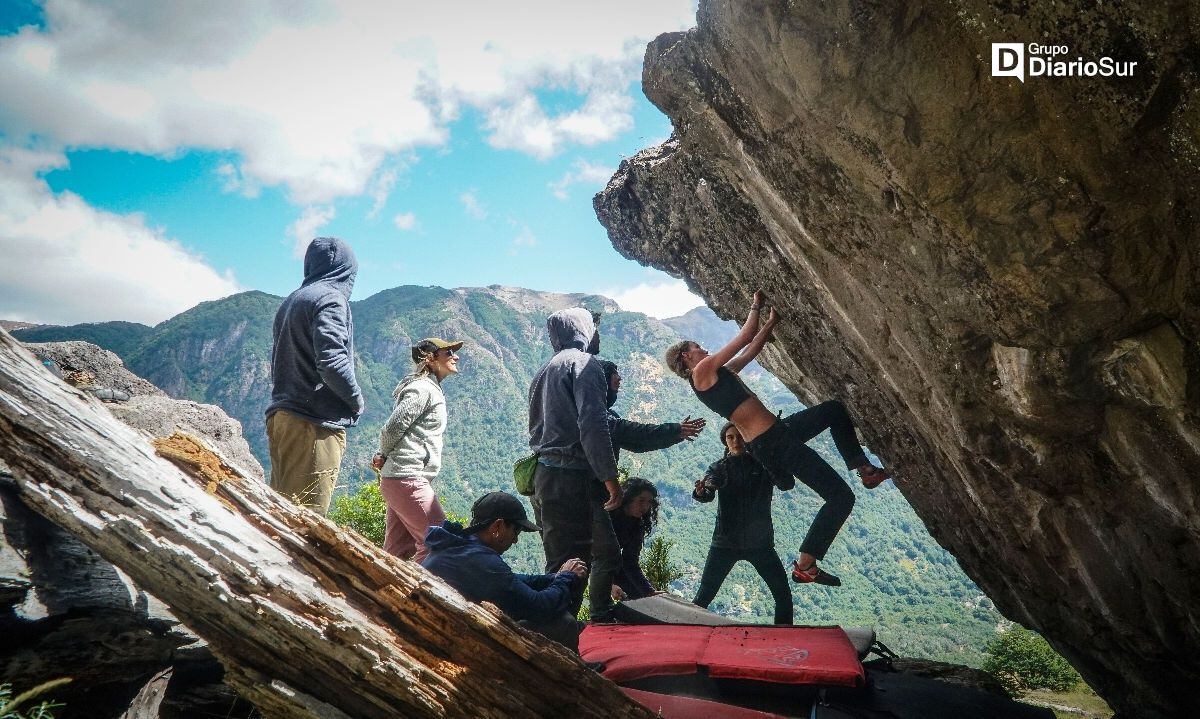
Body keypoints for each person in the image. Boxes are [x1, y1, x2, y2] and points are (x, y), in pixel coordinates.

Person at [664, 290, 890, 587]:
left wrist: (771, 324)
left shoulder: (717, 375)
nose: (703, 348)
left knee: (833, 411)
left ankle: (865, 469)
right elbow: (743, 338)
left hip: (778, 432)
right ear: (686, 355)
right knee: (840, 497)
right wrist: (755, 305)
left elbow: (749, 352)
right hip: (772, 441)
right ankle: (806, 564)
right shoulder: (702, 372)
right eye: (697, 346)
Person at [528, 307, 621, 620]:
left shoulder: (544, 369)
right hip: (570, 478)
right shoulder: (586, 365)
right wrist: (610, 478)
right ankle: (558, 643)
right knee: (575, 565)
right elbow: (594, 425)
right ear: (583, 331)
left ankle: (552, 635)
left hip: (542, 476)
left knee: (558, 563)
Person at [265, 237, 364, 515]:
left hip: (283, 416)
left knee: (282, 512)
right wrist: (355, 400)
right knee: (306, 519)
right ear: (346, 270)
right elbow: (331, 360)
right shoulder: (330, 299)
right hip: (313, 424)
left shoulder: (292, 301)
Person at [422, 491, 588, 652]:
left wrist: (555, 577)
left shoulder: (460, 547)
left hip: (441, 632)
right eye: (516, 531)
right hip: (461, 644)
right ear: (498, 526)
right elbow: (540, 606)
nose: (515, 540)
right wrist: (566, 577)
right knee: (563, 623)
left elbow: (513, 580)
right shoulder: (483, 561)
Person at [370, 337, 463, 562]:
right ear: (430, 359)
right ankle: (421, 595)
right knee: (440, 544)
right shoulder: (422, 389)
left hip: (401, 479)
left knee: (397, 552)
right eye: (448, 353)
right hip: (407, 477)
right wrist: (382, 453)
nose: (455, 356)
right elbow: (393, 427)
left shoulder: (429, 388)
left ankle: (381, 591)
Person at [692, 423, 793, 624]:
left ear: (748, 438)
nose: (736, 441)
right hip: (727, 543)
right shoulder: (719, 468)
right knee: (703, 596)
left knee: (783, 595)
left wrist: (766, 459)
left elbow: (786, 483)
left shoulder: (763, 464)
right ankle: (685, 638)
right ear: (725, 441)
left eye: (740, 436)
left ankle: (784, 638)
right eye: (730, 437)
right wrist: (702, 491)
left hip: (759, 543)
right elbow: (709, 489)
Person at [597, 360, 706, 461]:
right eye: (613, 372)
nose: (619, 377)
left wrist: (677, 435)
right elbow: (634, 432)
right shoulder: (594, 414)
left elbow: (638, 445)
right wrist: (675, 430)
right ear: (603, 379)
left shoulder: (608, 414)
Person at [608, 477, 663, 601]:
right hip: (588, 561)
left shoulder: (637, 525)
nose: (645, 506)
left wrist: (649, 591)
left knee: (639, 598)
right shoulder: (607, 516)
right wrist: (609, 585)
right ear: (629, 497)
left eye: (649, 502)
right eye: (641, 500)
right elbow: (594, 554)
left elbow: (630, 562)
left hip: (610, 566)